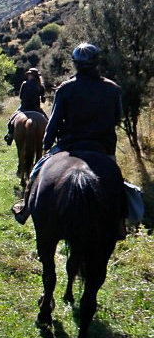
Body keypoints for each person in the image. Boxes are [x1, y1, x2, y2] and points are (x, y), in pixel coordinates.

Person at [12, 42, 123, 225]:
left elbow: (54, 121)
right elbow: (117, 119)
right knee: (117, 184)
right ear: (97, 63)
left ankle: (25, 208)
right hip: (103, 148)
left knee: (36, 172)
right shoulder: (113, 89)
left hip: (70, 145)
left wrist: (46, 144)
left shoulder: (65, 88)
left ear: (75, 63)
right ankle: (119, 223)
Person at [4, 68, 47, 145]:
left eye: (29, 75)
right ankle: (49, 137)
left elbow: (20, 97)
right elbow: (43, 99)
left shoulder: (24, 84)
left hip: (24, 108)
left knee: (11, 120)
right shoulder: (40, 86)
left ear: (32, 76)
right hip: (36, 109)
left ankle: (9, 135)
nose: (28, 76)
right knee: (47, 121)